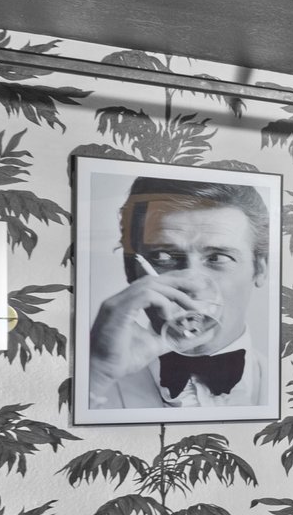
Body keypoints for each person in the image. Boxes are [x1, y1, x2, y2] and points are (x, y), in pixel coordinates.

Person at [84, 176, 273, 412]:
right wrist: (97, 372)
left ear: (260, 269)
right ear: (131, 269)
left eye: (217, 258)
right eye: (164, 257)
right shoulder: (92, 379)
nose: (191, 284)